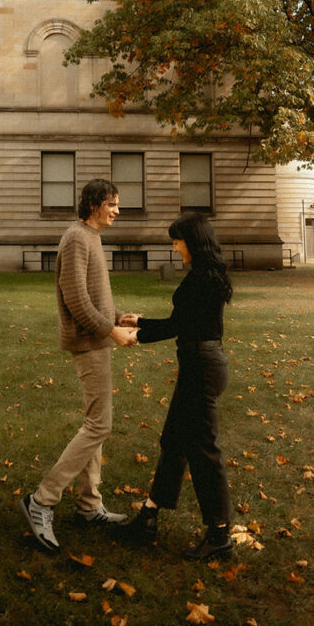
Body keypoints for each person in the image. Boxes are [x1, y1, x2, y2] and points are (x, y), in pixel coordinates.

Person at [19, 179, 135, 553]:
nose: (117, 210)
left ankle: (89, 505)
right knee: (99, 424)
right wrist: (111, 331)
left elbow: (94, 298)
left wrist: (119, 317)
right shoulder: (75, 238)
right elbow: (75, 300)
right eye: (112, 204)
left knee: (96, 422)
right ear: (94, 204)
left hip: (97, 337)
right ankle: (42, 500)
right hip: (88, 341)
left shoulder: (91, 237)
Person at [121, 212, 234, 560]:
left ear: (193, 241)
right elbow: (181, 323)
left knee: (203, 448)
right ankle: (149, 516)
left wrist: (137, 335)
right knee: (174, 441)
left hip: (201, 366)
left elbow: (177, 327)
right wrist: (140, 321)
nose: (173, 246)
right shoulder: (207, 275)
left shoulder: (201, 279)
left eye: (177, 239)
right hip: (200, 363)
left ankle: (219, 535)